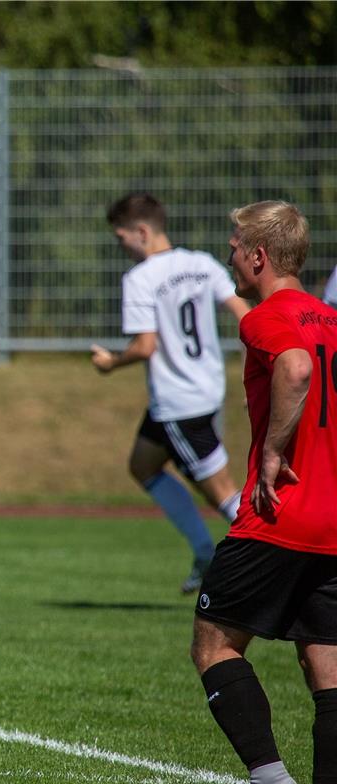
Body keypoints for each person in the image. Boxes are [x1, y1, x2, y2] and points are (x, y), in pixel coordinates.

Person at [190, 201, 336, 784]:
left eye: (233, 246)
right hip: (333, 519)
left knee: (213, 645)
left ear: (257, 257)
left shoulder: (263, 318)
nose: (229, 255)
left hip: (278, 513)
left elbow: (295, 369)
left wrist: (273, 452)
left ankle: (271, 782)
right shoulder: (331, 317)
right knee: (327, 666)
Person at [91, 192, 250, 593]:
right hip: (206, 391)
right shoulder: (201, 263)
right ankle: (203, 551)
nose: (122, 246)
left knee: (225, 496)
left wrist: (111, 363)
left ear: (141, 232)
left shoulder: (140, 278)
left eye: (121, 237)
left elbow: (146, 346)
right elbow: (244, 312)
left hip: (179, 405)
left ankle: (285, 564)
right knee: (143, 465)